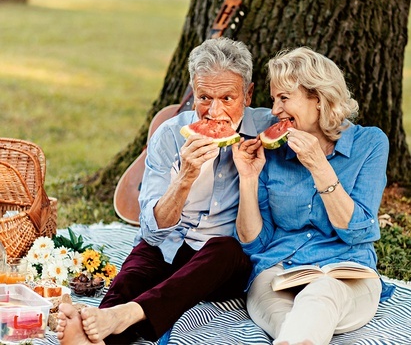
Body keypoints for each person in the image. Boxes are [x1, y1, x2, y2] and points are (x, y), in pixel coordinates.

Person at [56, 37, 276, 345]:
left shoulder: (268, 131)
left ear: (249, 94)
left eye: (227, 98)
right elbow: (153, 231)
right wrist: (185, 177)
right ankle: (96, 334)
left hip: (223, 261)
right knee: (130, 279)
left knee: (224, 250)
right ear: (192, 92)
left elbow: (323, 124)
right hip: (169, 244)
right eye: (203, 98)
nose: (214, 112)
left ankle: (124, 316)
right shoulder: (170, 135)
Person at [232, 47, 395, 345]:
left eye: (284, 98)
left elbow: (358, 230)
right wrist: (248, 177)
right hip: (279, 270)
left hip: (345, 272)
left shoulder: (370, 143)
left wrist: (319, 166)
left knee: (320, 294)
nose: (275, 111)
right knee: (290, 325)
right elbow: (254, 240)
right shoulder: (274, 151)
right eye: (273, 99)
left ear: (318, 99)